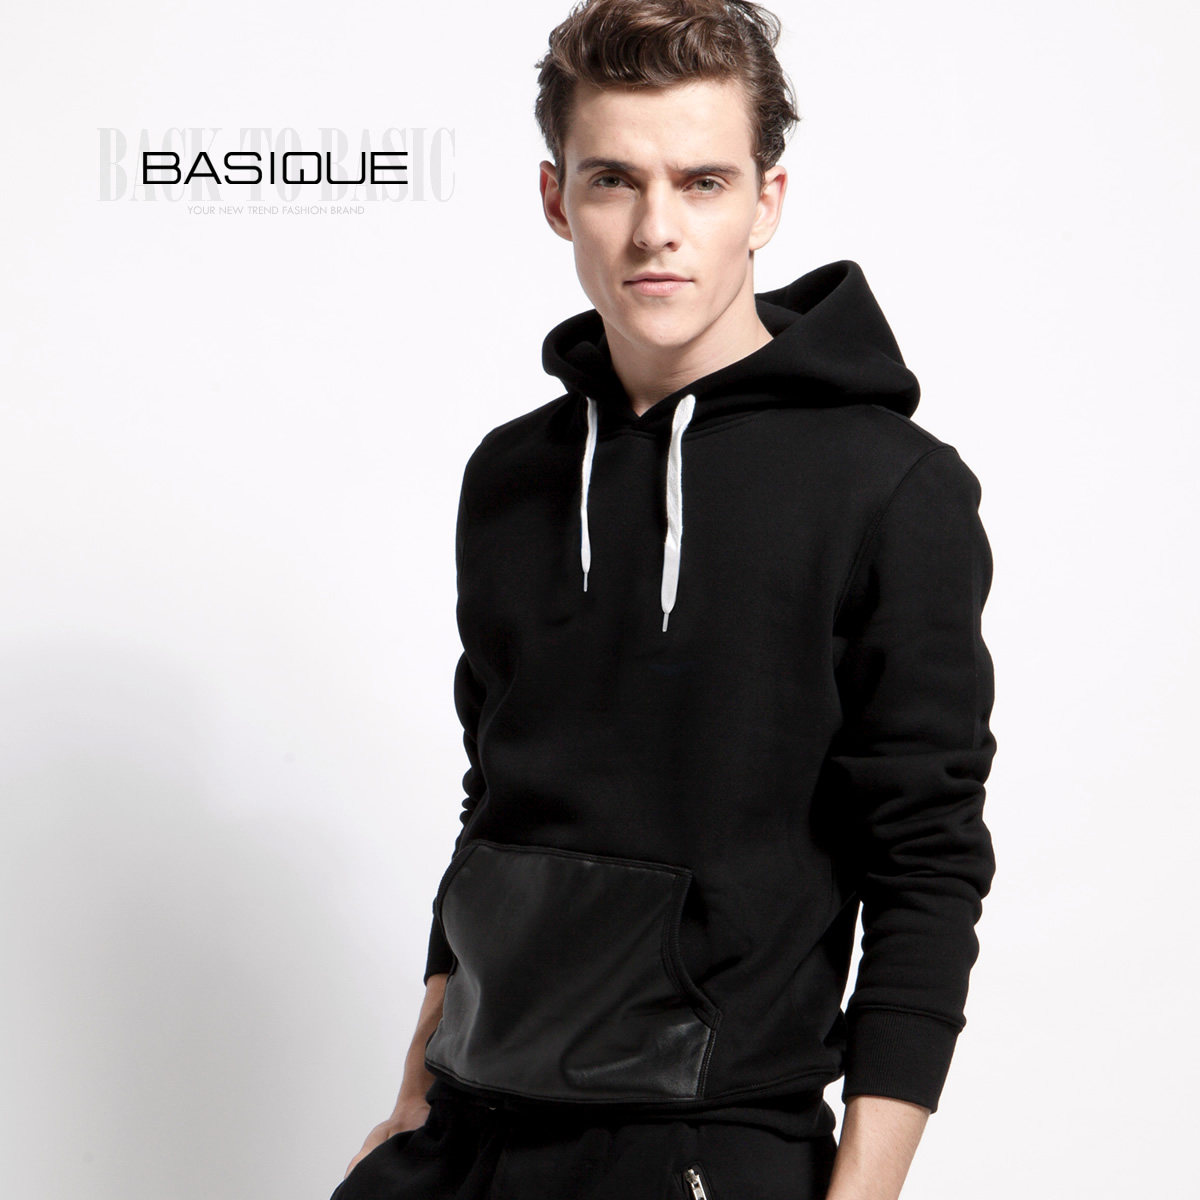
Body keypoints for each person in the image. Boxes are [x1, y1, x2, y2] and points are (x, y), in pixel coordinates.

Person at [332, 2, 997, 1197]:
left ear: (766, 201)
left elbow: (925, 865)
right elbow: (498, 809)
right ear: (556, 199)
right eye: (613, 181)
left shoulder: (892, 488)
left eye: (701, 182)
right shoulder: (512, 477)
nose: (656, 230)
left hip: (704, 1149)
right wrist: (412, 1098)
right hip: (465, 1137)